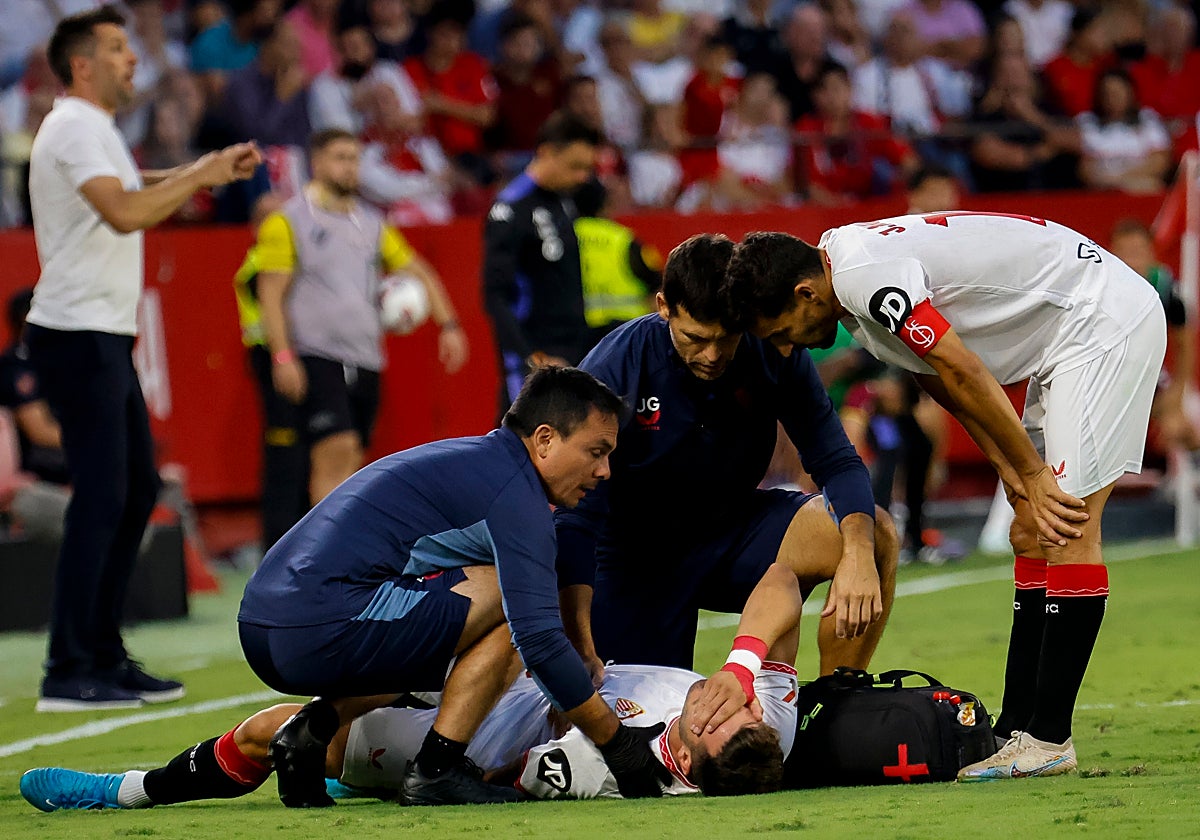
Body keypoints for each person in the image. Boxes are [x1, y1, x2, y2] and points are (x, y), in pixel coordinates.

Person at [723, 213, 1167, 780]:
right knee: (1028, 529)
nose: (786, 347)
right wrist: (1011, 470)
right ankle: (1017, 726)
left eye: (781, 329)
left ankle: (1050, 738)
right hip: (1066, 337)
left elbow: (962, 366)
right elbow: (940, 379)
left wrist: (1032, 474)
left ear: (804, 292)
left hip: (1101, 321)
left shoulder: (865, 277)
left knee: (1066, 526)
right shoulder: (848, 288)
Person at [20, 560, 810, 811]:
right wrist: (743, 663)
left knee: (272, 730)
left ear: (683, 758)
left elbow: (516, 776)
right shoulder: (761, 719)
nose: (715, 701)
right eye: (732, 704)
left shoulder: (613, 774)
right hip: (520, 676)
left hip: (484, 737)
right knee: (500, 602)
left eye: (707, 718)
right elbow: (782, 581)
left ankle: (122, 791)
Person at [237, 366, 674, 808]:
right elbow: (539, 640)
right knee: (514, 608)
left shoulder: (478, 462)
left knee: (484, 603)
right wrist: (617, 742)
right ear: (544, 440)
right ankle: (436, 769)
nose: (605, 471)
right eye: (596, 452)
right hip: (310, 630)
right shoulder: (517, 500)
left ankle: (313, 727)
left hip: (264, 622)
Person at [25, 4, 261, 711]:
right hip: (76, 334)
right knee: (104, 498)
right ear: (81, 65)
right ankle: (67, 668)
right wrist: (201, 176)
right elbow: (125, 211)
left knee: (128, 495)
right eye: (119, 48)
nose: (134, 60)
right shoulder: (73, 124)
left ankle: (101, 654)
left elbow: (130, 188)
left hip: (98, 334)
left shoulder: (91, 130)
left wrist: (203, 169)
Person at [557, 233, 898, 676]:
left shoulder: (772, 348)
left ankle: (838, 704)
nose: (713, 355)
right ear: (663, 307)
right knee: (642, 724)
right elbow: (577, 513)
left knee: (876, 534)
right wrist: (578, 639)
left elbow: (836, 459)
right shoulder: (614, 368)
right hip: (631, 555)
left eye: (727, 337)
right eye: (695, 338)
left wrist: (856, 551)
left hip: (735, 534)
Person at [247, 128, 467, 510]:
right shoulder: (289, 221)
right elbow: (271, 294)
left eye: (354, 159)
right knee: (336, 448)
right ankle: (324, 556)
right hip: (317, 354)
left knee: (352, 458)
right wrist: (283, 357)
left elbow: (420, 271)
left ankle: (330, 550)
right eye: (340, 158)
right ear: (316, 163)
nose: (349, 167)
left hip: (365, 358)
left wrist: (449, 325)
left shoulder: (371, 225)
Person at [483, 110, 599, 417]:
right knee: (523, 448)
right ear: (546, 152)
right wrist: (530, 356)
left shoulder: (563, 199)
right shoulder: (511, 209)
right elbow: (494, 294)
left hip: (571, 350)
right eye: (575, 166)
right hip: (536, 356)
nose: (582, 177)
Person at [573, 178, 660, 343]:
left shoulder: (561, 237)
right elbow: (655, 286)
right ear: (604, 205)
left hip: (574, 333)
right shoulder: (624, 239)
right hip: (625, 333)